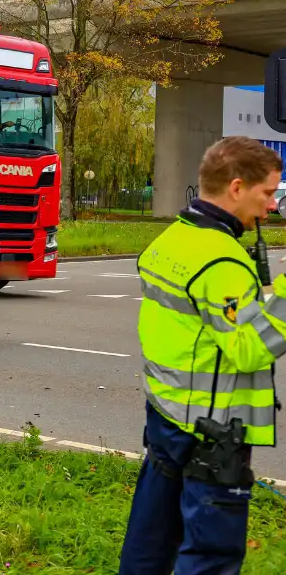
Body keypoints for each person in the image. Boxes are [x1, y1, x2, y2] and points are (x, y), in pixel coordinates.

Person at [118, 136, 285, 574]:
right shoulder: (222, 263)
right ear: (236, 187)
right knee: (211, 557)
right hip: (212, 435)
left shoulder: (172, 240)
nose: (272, 206)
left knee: (150, 541)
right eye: (267, 193)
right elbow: (252, 349)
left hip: (166, 418)